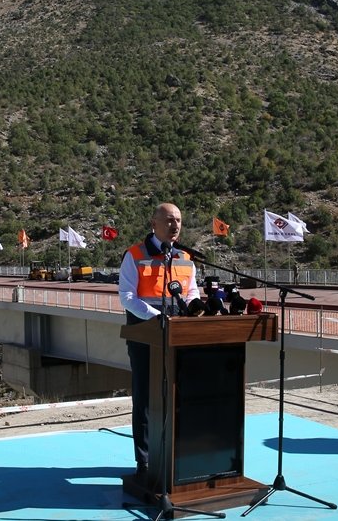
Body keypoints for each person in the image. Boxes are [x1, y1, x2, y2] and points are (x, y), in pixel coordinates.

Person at [118, 202, 200, 478]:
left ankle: (173, 454)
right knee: (144, 398)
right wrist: (157, 318)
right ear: (154, 223)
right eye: (168, 220)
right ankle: (145, 462)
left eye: (178, 219)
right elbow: (127, 298)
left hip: (178, 336)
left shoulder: (185, 257)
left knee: (176, 397)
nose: (174, 225)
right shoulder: (135, 255)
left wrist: (195, 308)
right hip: (145, 336)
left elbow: (191, 293)